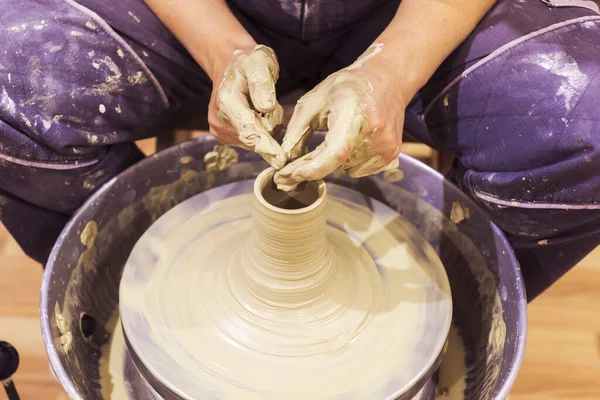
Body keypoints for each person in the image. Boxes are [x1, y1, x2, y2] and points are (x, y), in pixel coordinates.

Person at [0, 0, 598, 300]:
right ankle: (151, 294)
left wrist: (390, 71)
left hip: (411, 16)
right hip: (202, 15)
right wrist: (223, 51)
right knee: (10, 79)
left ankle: (431, 315)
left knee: (585, 118)